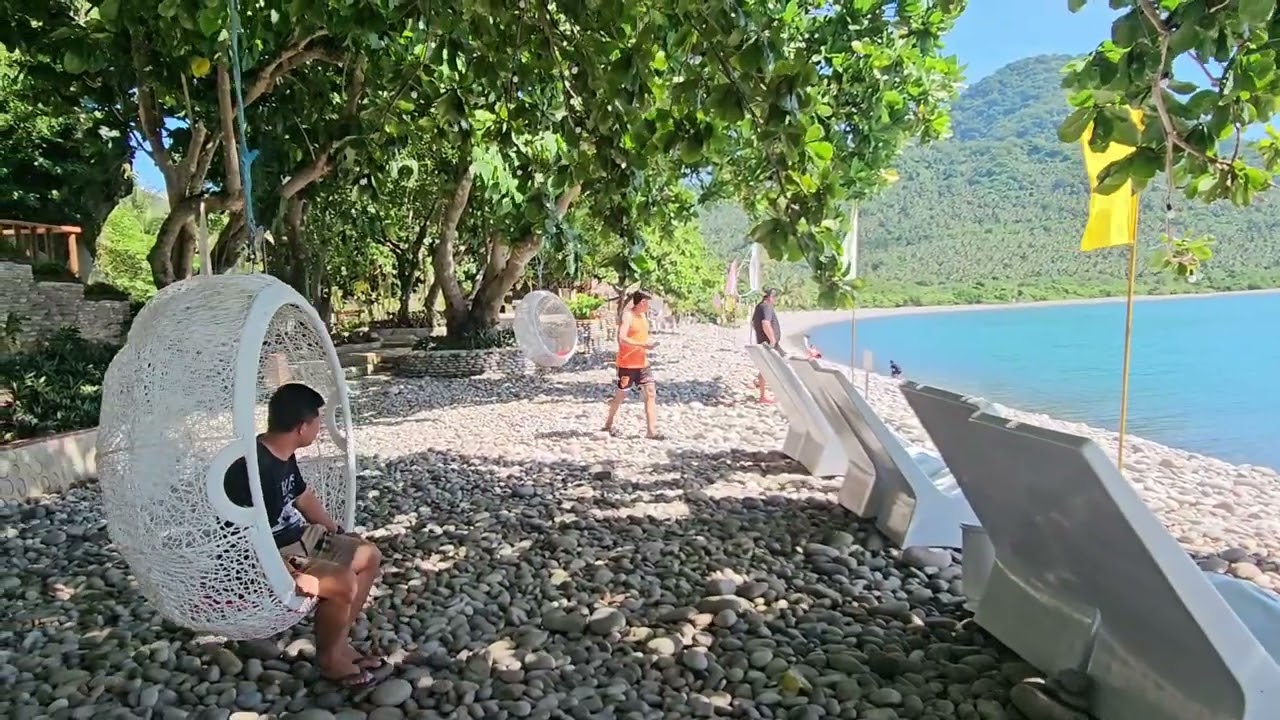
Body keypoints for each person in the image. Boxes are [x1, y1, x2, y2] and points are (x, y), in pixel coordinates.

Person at [224, 383, 385, 690]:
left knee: (368, 555)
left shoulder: (282, 451)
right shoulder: (253, 468)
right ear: (301, 427)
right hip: (269, 555)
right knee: (341, 581)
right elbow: (242, 536)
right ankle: (330, 660)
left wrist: (336, 530)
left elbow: (302, 496)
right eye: (317, 422)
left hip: (296, 537)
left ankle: (338, 644)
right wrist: (285, 573)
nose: (321, 428)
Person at [602, 290, 660, 439]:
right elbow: (621, 338)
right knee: (620, 396)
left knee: (650, 393)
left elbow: (641, 335)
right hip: (627, 365)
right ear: (642, 302)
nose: (650, 306)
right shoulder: (628, 315)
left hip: (643, 364)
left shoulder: (644, 317)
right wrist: (642, 344)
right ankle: (608, 423)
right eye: (648, 303)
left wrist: (649, 343)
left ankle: (651, 432)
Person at [750, 288, 782, 403]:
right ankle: (765, 396)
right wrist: (772, 340)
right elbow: (765, 323)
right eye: (775, 298)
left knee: (764, 368)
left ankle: (764, 394)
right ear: (770, 297)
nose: (776, 300)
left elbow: (754, 323)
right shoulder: (767, 307)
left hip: (762, 341)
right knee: (771, 369)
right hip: (768, 343)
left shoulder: (759, 307)